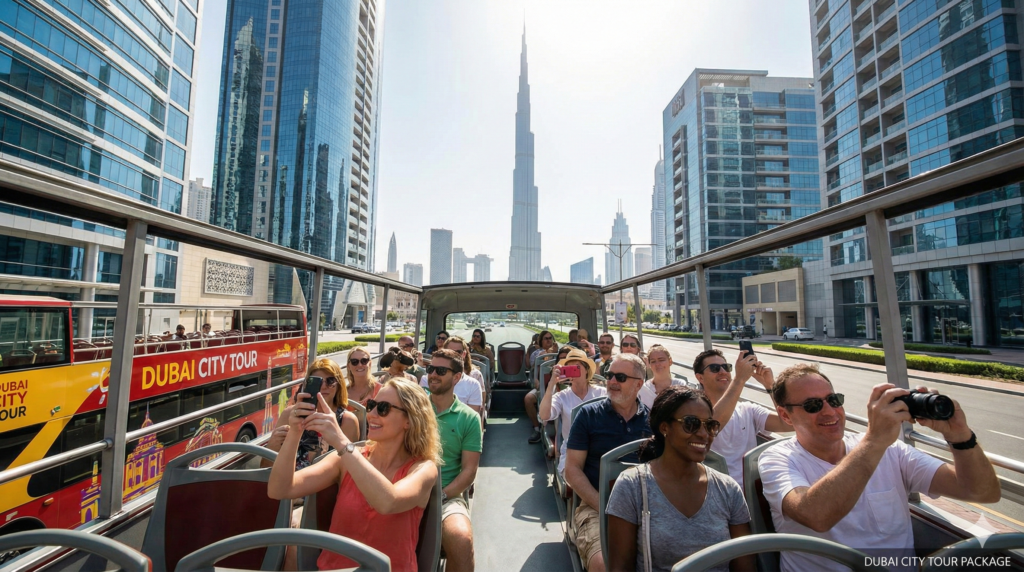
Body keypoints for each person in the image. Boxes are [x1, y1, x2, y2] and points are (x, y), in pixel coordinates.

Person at [759, 364, 1000, 572]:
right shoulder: (776, 458)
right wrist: (874, 441)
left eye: (834, 400)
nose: (830, 411)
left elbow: (982, 493)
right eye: (812, 405)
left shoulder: (891, 450)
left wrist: (960, 436)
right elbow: (815, 515)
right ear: (785, 416)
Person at [268, 377, 441, 572]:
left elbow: (388, 502)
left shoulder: (424, 468)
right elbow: (279, 489)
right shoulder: (346, 460)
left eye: (383, 408)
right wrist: (295, 433)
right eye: (372, 405)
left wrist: (341, 442)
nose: (372, 414)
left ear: (409, 420)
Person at [607, 386, 754, 572]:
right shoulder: (633, 485)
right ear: (664, 427)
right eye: (690, 423)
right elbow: (620, 567)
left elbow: (745, 565)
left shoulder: (728, 488)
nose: (703, 434)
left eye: (709, 425)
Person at [564, 353, 652, 572]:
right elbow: (572, 470)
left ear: (639, 384)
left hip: (646, 507)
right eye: (610, 375)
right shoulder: (588, 415)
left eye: (620, 377)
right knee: (606, 565)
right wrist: (605, 506)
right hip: (596, 506)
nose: (611, 382)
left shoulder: (652, 421)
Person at [693, 349, 788, 487]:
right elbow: (710, 428)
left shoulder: (747, 409)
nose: (723, 372)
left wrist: (770, 386)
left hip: (751, 491)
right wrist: (740, 379)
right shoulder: (694, 410)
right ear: (700, 378)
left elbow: (787, 424)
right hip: (716, 489)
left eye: (726, 367)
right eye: (715, 368)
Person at [425, 349, 482, 572]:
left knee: (461, 539)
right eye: (430, 369)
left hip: (446, 496)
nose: (433, 375)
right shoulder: (413, 409)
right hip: (403, 487)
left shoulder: (469, 418)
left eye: (441, 370)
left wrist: (441, 496)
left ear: (456, 377)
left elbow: (468, 471)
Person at [266, 358, 361, 468]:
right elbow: (266, 468)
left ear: (339, 385)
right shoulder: (290, 414)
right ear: (308, 384)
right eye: (318, 381)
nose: (324, 386)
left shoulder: (347, 420)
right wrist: (272, 445)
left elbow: (350, 470)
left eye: (330, 381)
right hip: (288, 481)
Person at [538, 347, 606, 477]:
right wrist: (552, 384)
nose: (574, 370)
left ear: (587, 369)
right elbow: (544, 416)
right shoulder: (562, 396)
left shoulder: (602, 393)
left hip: (599, 448)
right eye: (569, 368)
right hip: (572, 450)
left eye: (577, 367)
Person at [525, 330, 559, 443]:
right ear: (541, 341)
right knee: (528, 399)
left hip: (558, 387)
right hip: (542, 386)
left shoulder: (561, 353)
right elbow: (534, 370)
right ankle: (537, 429)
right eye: (546, 338)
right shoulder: (538, 354)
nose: (549, 340)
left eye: (550, 338)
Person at [637, 344, 687, 410]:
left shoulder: (681, 385)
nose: (657, 364)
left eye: (661, 360)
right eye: (653, 361)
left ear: (670, 361)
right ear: (649, 364)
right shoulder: (643, 389)